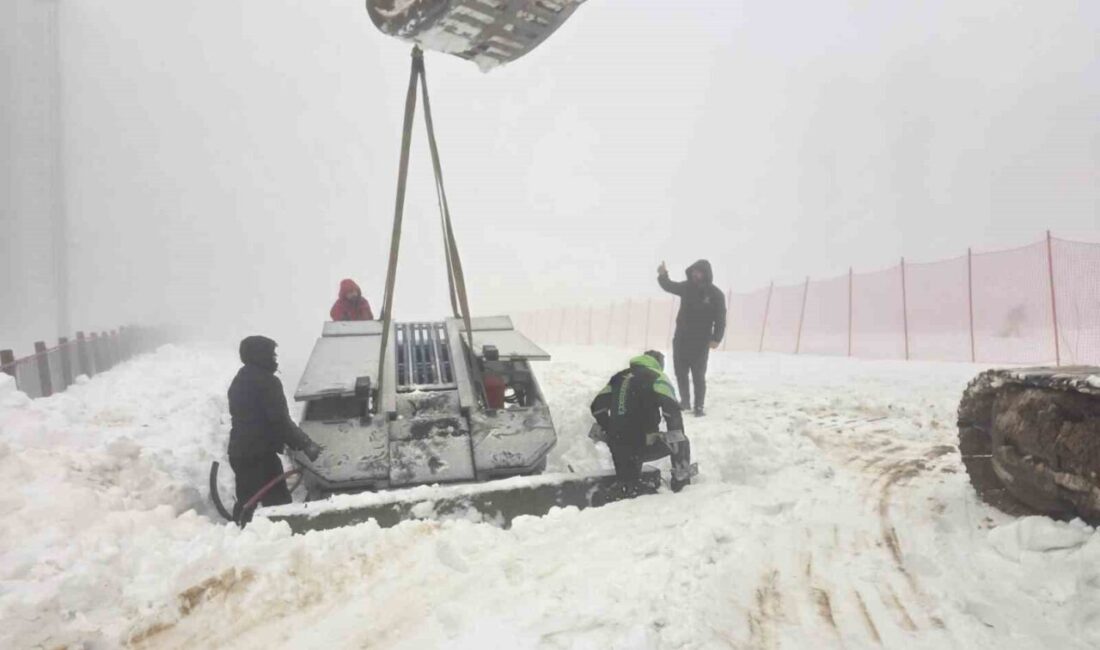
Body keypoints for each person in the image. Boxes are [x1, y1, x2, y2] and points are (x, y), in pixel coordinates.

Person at [228, 335, 322, 525]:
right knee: (278, 504)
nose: (275, 358)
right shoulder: (267, 382)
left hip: (240, 452)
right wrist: (306, 444)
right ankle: (280, 535)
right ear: (260, 356)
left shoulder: (239, 380)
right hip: (260, 455)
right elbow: (280, 421)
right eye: (271, 354)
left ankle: (239, 532)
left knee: (246, 500)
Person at [589, 350, 692, 493]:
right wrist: (677, 439)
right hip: (643, 442)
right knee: (682, 440)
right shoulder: (657, 376)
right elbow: (672, 411)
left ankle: (629, 480)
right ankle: (681, 483)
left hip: (617, 444)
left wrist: (610, 429)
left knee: (628, 481)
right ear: (659, 363)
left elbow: (597, 407)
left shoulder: (618, 377)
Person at [657, 259, 726, 417]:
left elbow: (720, 318)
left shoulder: (716, 294)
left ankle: (699, 406)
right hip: (681, 338)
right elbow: (669, 286)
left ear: (706, 274)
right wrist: (663, 275)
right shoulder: (686, 288)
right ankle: (685, 402)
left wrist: (717, 338)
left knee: (698, 375)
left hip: (701, 341)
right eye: (694, 271)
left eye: (699, 272)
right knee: (680, 372)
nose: (696, 274)